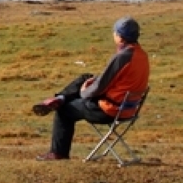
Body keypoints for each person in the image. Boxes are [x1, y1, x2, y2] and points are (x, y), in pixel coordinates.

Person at [31, 16, 149, 161]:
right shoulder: (141, 55)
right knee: (85, 77)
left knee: (64, 110)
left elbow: (99, 87)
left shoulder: (122, 57)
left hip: (109, 110)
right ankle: (61, 97)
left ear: (120, 36)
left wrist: (84, 92)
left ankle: (58, 152)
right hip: (128, 108)